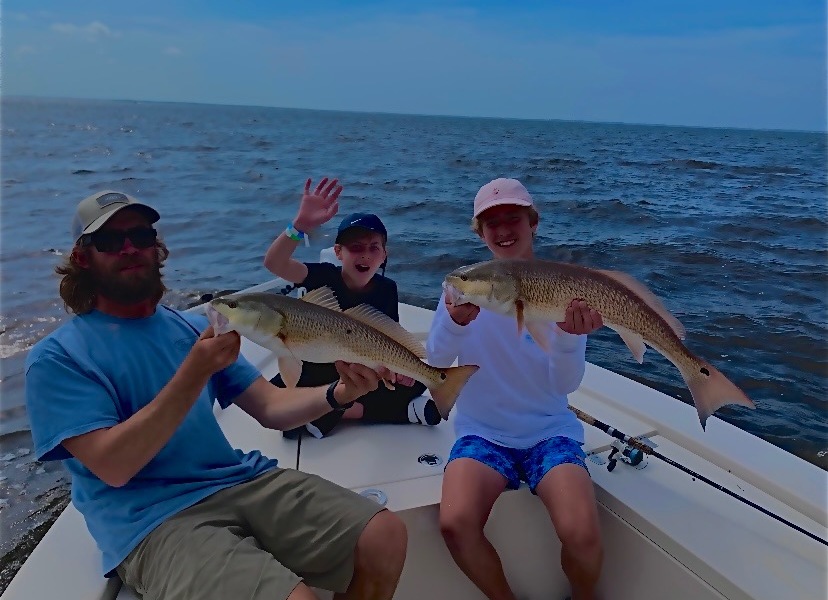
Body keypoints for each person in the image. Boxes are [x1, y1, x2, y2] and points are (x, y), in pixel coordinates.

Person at [25, 190, 408, 600]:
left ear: (156, 246)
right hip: (152, 518)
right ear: (82, 258)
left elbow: (270, 406)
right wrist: (194, 372)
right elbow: (114, 466)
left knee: (384, 536)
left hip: (236, 479)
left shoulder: (189, 328)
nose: (130, 248)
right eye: (109, 240)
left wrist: (340, 392)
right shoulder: (58, 358)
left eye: (141, 235)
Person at [426, 178, 605, 600]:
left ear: (533, 223)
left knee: (582, 534)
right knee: (455, 524)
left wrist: (569, 337)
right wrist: (455, 322)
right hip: (483, 433)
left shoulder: (563, 289)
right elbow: (435, 363)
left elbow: (566, 384)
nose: (504, 230)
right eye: (492, 223)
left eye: (513, 218)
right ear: (480, 233)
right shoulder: (462, 288)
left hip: (550, 432)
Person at [263, 177, 441, 439]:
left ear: (384, 255)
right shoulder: (323, 276)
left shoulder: (387, 288)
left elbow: (388, 340)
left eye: (374, 247)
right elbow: (275, 263)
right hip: (316, 368)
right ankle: (395, 412)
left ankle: (336, 412)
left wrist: (396, 372)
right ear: (338, 252)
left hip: (360, 373)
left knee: (414, 382)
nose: (365, 255)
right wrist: (299, 226)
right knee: (275, 400)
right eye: (355, 247)